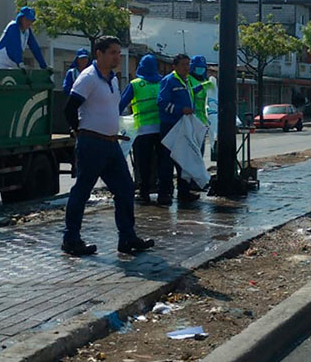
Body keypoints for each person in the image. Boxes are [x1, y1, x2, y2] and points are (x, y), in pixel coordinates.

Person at [62, 36, 154, 256]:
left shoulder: (112, 79)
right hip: (92, 143)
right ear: (99, 54)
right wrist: (80, 132)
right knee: (82, 191)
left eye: (118, 53)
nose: (117, 57)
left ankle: (127, 237)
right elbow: (69, 108)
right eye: (112, 52)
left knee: (125, 189)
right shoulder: (88, 78)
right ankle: (71, 239)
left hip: (111, 144)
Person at [157, 54, 205, 205]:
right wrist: (179, 109)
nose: (187, 67)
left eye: (188, 64)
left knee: (184, 159)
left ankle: (184, 192)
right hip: (170, 125)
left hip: (184, 125)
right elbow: (162, 102)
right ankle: (164, 193)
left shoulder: (187, 81)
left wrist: (203, 87)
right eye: (183, 64)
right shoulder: (169, 80)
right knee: (167, 161)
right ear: (175, 66)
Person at [119, 54, 167, 205]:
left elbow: (120, 105)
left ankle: (144, 193)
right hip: (162, 129)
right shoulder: (163, 82)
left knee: (143, 164)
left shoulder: (135, 84)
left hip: (142, 130)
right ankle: (164, 194)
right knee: (162, 163)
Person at [187, 55, 213, 154]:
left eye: (202, 68)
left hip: (203, 119)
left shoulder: (206, 81)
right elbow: (188, 93)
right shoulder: (188, 79)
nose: (200, 70)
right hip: (191, 117)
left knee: (200, 148)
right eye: (198, 68)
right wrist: (200, 87)